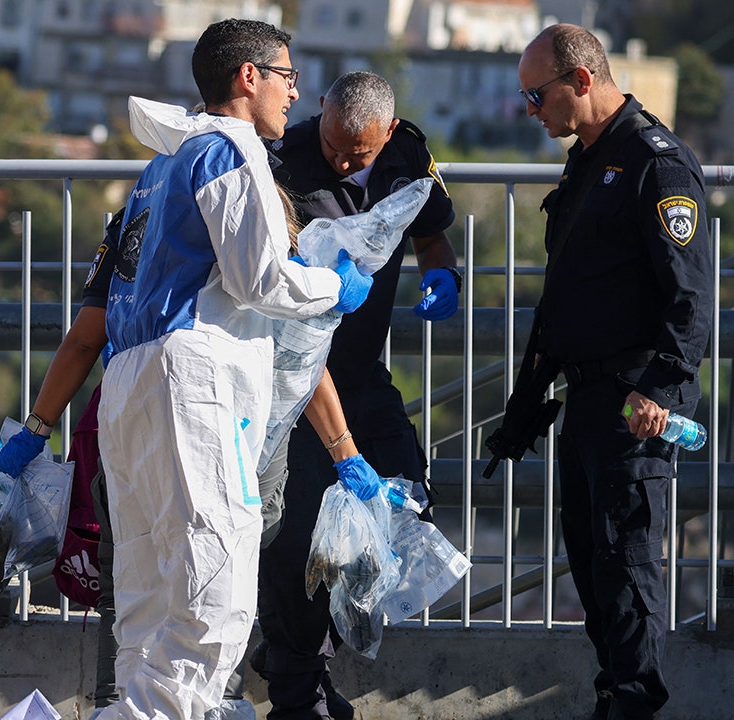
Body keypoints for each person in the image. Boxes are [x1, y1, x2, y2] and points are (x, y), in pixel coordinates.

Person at [92, 18, 375, 720]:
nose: (293, 94)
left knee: (150, 596)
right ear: (249, 77)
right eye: (288, 78)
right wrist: (334, 287)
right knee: (212, 589)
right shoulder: (229, 149)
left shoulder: (162, 165)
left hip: (130, 383)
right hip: (192, 381)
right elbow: (258, 280)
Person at [495, 24, 714, 720]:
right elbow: (568, 295)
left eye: (538, 95)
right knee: (592, 566)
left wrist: (660, 389)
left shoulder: (655, 163)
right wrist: (525, 406)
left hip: (631, 403)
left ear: (582, 80)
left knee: (625, 567)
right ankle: (613, 692)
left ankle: (633, 702)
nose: (532, 110)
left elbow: (691, 296)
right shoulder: (588, 160)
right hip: (586, 399)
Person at [254, 70, 461, 720]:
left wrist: (443, 274)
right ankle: (300, 694)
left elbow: (430, 229)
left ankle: (296, 657)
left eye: (358, 153)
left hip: (362, 376)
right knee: (301, 548)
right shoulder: (283, 160)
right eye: (337, 146)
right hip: (296, 388)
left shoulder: (407, 155)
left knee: (406, 503)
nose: (343, 160)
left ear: (389, 134)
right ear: (321, 112)